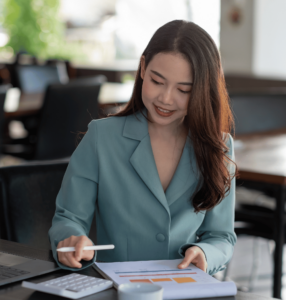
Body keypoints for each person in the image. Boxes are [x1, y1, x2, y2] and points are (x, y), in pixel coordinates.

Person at [49, 20, 237, 275]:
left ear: (202, 91)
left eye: (183, 89)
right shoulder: (101, 137)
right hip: (120, 288)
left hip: (184, 289)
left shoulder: (219, 146)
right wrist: (72, 240)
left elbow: (221, 236)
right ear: (142, 68)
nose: (165, 98)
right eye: (157, 81)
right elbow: (68, 218)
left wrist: (205, 253)